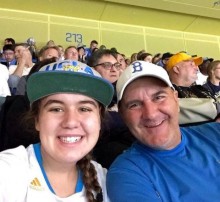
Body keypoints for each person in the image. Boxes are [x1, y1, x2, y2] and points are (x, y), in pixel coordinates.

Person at [0, 60, 114, 201]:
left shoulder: (106, 180)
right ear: (37, 120)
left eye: (84, 109)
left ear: (99, 121)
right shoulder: (7, 171)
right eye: (56, 109)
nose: (71, 122)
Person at [107, 61, 220, 201]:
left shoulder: (215, 133)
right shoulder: (126, 174)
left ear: (176, 99)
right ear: (123, 115)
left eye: (159, 97)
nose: (151, 114)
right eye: (134, 104)